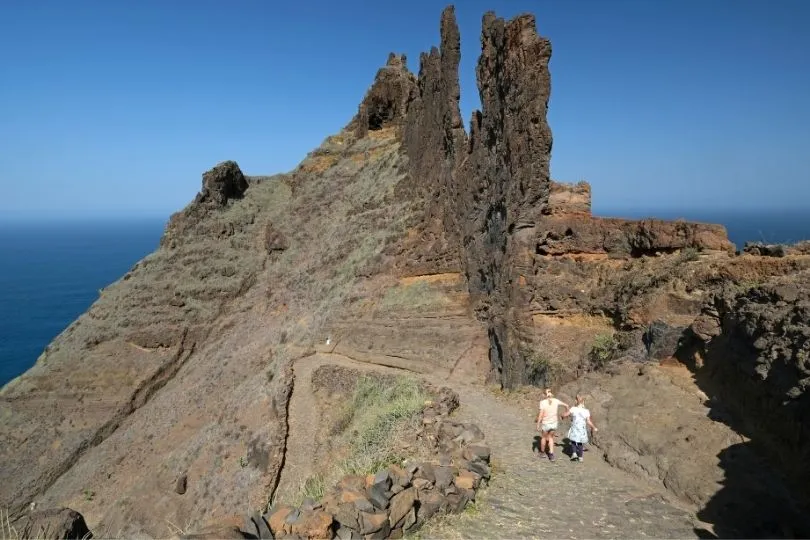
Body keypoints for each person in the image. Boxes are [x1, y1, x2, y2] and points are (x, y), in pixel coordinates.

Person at [536, 388, 569, 461]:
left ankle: (542, 452)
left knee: (544, 438)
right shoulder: (556, 401)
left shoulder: (543, 402)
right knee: (551, 438)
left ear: (544, 395)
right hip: (554, 423)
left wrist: (538, 423)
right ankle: (551, 454)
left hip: (545, 423)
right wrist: (565, 414)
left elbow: (541, 414)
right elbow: (566, 405)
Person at [563, 394, 598, 462]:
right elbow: (588, 421)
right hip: (582, 428)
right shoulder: (586, 411)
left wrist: (562, 415)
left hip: (575, 427)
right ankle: (581, 457)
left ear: (576, 401)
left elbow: (566, 414)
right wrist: (594, 427)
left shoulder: (573, 408)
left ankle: (574, 453)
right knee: (580, 442)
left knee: (573, 440)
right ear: (583, 402)